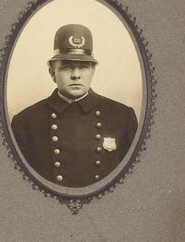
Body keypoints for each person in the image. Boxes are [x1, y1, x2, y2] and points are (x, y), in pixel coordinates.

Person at [11, 24, 138, 188]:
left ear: (93, 71)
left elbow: (134, 183)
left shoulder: (122, 116)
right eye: (66, 67)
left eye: (84, 67)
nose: (76, 75)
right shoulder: (25, 122)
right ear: (52, 72)